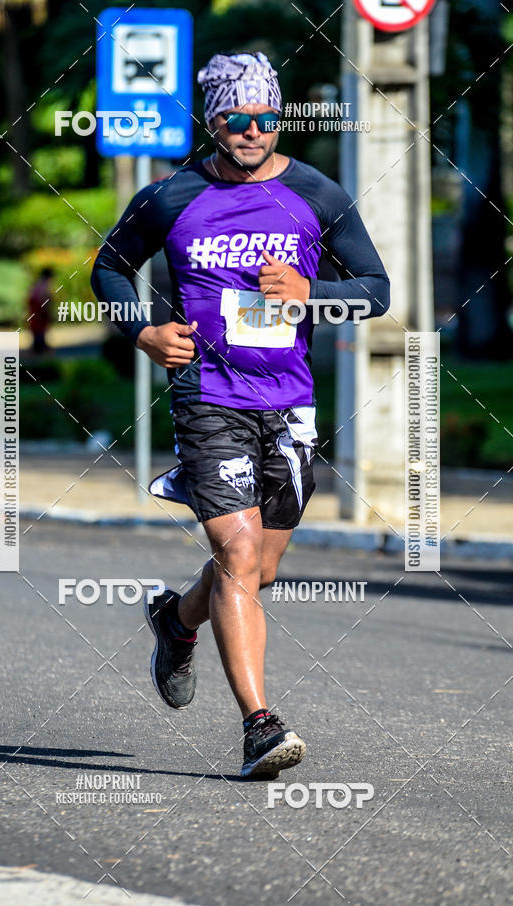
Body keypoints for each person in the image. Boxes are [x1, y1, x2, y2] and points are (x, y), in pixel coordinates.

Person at [91, 51, 390, 779]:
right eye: (236, 117)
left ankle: (175, 621)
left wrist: (312, 293)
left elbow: (376, 290)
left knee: (262, 566)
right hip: (206, 396)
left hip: (288, 403)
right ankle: (260, 725)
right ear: (213, 121)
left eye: (265, 116)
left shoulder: (315, 193)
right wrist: (143, 332)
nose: (253, 130)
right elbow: (108, 267)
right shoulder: (171, 196)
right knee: (238, 553)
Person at [26, 267, 54, 354]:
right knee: (39, 326)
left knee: (37, 326)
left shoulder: (38, 282)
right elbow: (44, 296)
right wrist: (46, 309)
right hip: (38, 306)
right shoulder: (44, 283)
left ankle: (39, 344)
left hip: (35, 306)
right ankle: (39, 345)